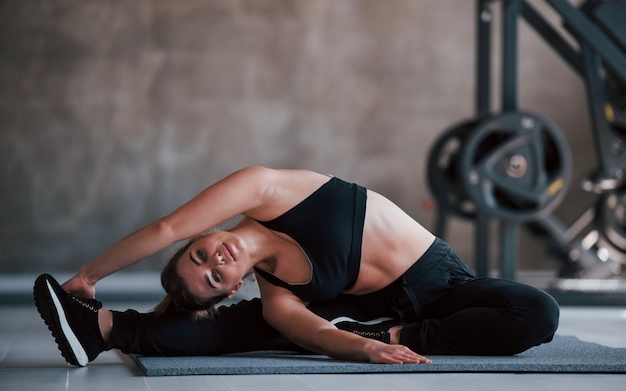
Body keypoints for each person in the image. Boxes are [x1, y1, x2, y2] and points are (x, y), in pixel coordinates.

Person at [34, 166, 559, 367]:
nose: (216, 261)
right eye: (216, 279)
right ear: (235, 285)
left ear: (206, 233)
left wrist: (89, 277)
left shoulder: (266, 188)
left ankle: (407, 331)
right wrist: (364, 346)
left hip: (438, 283)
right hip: (356, 314)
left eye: (201, 254)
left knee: (537, 313)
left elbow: (165, 229)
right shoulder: (273, 291)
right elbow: (310, 330)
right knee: (246, 330)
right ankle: (101, 327)